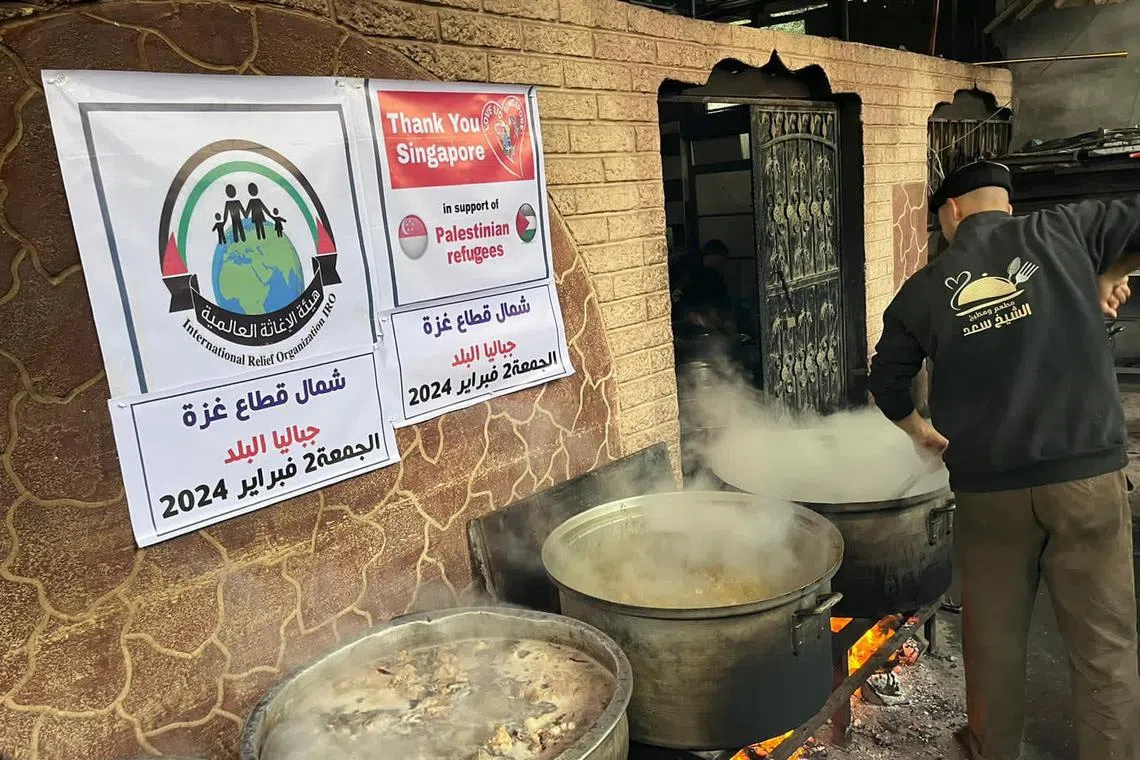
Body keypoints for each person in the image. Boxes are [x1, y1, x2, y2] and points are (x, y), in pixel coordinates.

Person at [868, 159, 1140, 760]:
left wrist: (920, 430)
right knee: (1106, 648)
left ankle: (991, 747)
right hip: (1087, 478)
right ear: (1007, 206)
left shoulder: (925, 287)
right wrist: (1110, 273)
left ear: (952, 212)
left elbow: (887, 380)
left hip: (991, 496)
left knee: (993, 640)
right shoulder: (1067, 231)